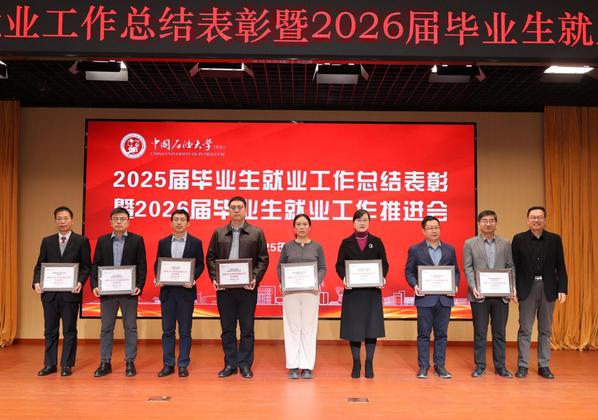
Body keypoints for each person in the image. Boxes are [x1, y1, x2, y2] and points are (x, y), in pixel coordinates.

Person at [206, 196, 269, 379]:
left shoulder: (256, 233)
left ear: (246, 210)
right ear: (228, 210)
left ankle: (245, 365)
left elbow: (263, 259)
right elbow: (210, 258)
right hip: (225, 289)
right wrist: (215, 278)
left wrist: (254, 277)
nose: (236, 210)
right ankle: (230, 364)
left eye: (239, 207)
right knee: (227, 328)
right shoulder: (218, 233)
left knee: (247, 328)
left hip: (247, 289)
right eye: (232, 207)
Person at [32, 206, 91, 377]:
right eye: (59, 218)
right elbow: (39, 266)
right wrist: (36, 282)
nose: (62, 221)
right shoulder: (47, 241)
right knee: (50, 330)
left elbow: (86, 266)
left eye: (66, 218)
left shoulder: (81, 241)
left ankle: (66, 365)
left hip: (70, 294)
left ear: (72, 221)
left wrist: (80, 282)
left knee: (69, 330)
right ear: (55, 221)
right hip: (50, 295)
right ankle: (50, 364)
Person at [512, 206, 568, 379]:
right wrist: (513, 287)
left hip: (548, 288)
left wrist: (562, 288)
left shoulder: (554, 239)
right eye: (533, 217)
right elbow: (514, 266)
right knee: (525, 329)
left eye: (539, 217)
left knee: (545, 330)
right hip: (526, 288)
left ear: (545, 220)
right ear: (527, 220)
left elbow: (561, 266)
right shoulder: (519, 239)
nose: (536, 220)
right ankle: (522, 365)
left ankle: (544, 365)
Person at [90, 207, 147, 377]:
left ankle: (130, 362)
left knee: (130, 327)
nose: (119, 222)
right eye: (115, 219)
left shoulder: (137, 240)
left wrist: (139, 285)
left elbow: (142, 265)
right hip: (107, 292)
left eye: (122, 219)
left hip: (129, 293)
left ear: (128, 222)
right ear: (110, 222)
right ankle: (105, 362)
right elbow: (96, 264)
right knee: (106, 328)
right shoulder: (102, 241)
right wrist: (95, 285)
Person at [405, 216, 460, 379]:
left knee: (441, 334)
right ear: (423, 231)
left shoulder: (450, 249)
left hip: (444, 298)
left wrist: (455, 285)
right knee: (423, 334)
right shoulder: (415, 249)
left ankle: (440, 366)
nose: (434, 231)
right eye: (430, 228)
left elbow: (456, 271)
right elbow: (409, 271)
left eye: (437, 227)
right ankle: (423, 367)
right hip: (425, 299)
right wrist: (415, 285)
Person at [335, 209, 388, 379]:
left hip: (372, 292)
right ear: (353, 223)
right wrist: (345, 277)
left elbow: (384, 264)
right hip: (353, 293)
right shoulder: (346, 243)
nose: (362, 223)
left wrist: (382, 277)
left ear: (369, 222)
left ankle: (369, 363)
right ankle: (356, 362)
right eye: (358, 220)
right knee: (355, 329)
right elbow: (339, 265)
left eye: (365, 220)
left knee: (371, 328)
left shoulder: (377, 242)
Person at [463, 210, 515, 378]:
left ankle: (500, 367)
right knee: (480, 332)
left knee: (499, 332)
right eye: (484, 220)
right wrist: (473, 287)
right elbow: (468, 267)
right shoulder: (470, 243)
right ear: (479, 224)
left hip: (501, 296)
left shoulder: (505, 243)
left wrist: (511, 287)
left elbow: (510, 266)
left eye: (491, 220)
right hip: (479, 295)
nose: (488, 223)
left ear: (496, 223)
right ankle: (480, 366)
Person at [154, 209, 204, 378]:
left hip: (186, 292)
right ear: (171, 223)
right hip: (167, 292)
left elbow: (200, 264)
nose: (179, 222)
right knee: (167, 331)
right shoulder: (163, 242)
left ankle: (183, 364)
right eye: (176, 219)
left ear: (188, 223)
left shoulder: (195, 242)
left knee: (185, 331)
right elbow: (158, 263)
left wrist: (192, 278)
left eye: (182, 220)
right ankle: (168, 364)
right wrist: (158, 276)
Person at [277, 214, 326, 379]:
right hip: (290, 292)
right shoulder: (287, 246)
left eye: (305, 224)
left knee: (308, 328)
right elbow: (280, 267)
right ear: (294, 227)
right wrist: (283, 281)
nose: (302, 227)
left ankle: (306, 366)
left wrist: (316, 282)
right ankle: (292, 366)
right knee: (292, 327)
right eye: (298, 224)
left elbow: (323, 268)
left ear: (310, 227)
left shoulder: (317, 247)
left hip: (310, 292)